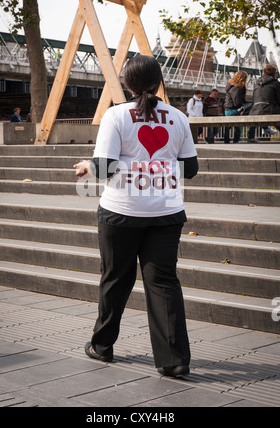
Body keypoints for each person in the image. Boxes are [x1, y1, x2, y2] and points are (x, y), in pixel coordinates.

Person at [74, 55, 198, 378]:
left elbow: (103, 168)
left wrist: (89, 165)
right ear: (159, 83)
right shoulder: (178, 118)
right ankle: (174, 360)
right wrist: (157, 166)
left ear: (126, 83)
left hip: (121, 213)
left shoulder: (116, 116)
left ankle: (102, 347)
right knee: (163, 282)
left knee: (115, 278)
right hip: (167, 214)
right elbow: (191, 169)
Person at [247, 64, 280, 143]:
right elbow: (279, 99)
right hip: (270, 109)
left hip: (256, 109)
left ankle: (251, 137)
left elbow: (254, 98)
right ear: (274, 74)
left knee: (256, 114)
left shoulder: (256, 84)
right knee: (275, 115)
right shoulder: (276, 83)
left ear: (263, 73)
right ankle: (266, 128)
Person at [224, 71, 248, 143]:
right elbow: (237, 102)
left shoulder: (230, 86)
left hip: (227, 110)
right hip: (233, 110)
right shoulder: (236, 88)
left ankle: (227, 142)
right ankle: (236, 141)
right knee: (238, 128)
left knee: (228, 127)